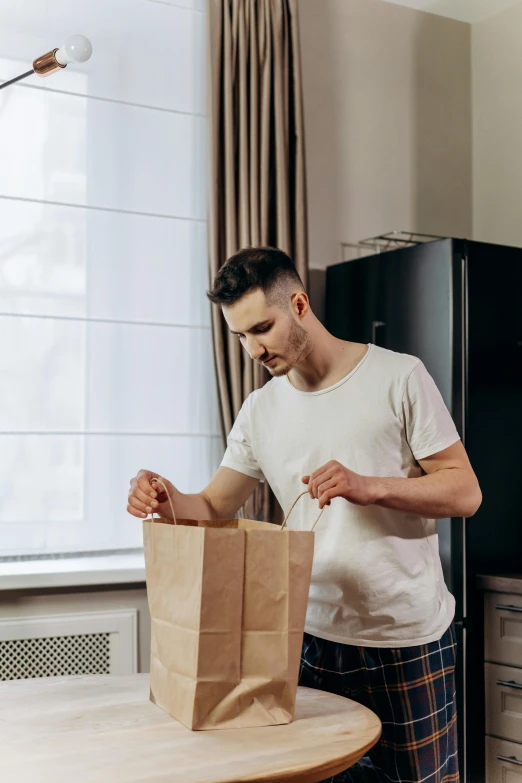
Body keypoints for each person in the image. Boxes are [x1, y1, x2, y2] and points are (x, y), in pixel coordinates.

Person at [127, 246, 481, 783]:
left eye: (262, 328)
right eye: (241, 335)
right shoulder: (260, 409)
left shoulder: (400, 376)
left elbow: (465, 492)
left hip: (403, 638)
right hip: (304, 639)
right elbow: (214, 507)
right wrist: (164, 496)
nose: (252, 350)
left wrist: (369, 487)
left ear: (298, 303)